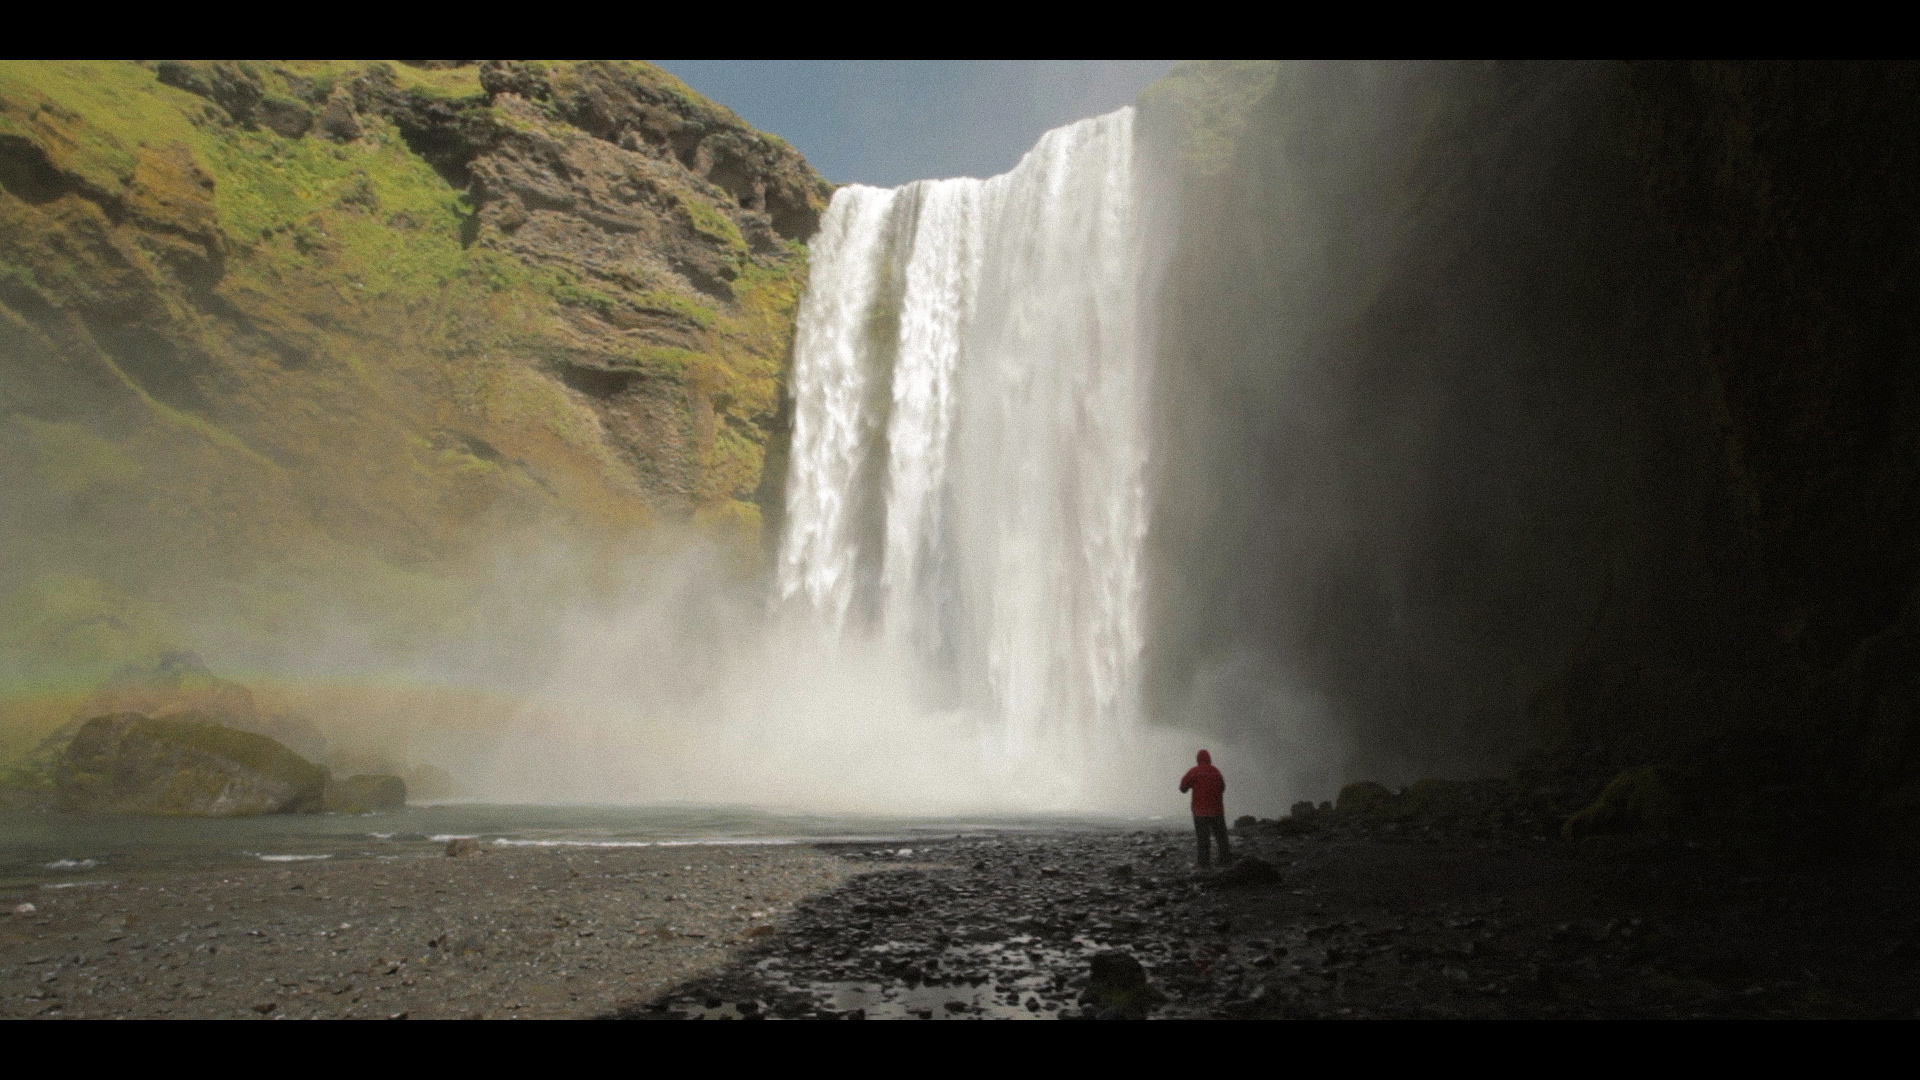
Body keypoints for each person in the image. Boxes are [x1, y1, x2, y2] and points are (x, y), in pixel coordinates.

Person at [1180, 749, 1230, 869]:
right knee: (1221, 837)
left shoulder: (1194, 772)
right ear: (1209, 759)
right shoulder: (1216, 771)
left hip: (1200, 811)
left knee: (1203, 838)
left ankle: (1204, 864)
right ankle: (1225, 860)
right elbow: (1223, 787)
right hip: (1217, 810)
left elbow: (1183, 787)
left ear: (1198, 759)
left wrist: (1193, 786)